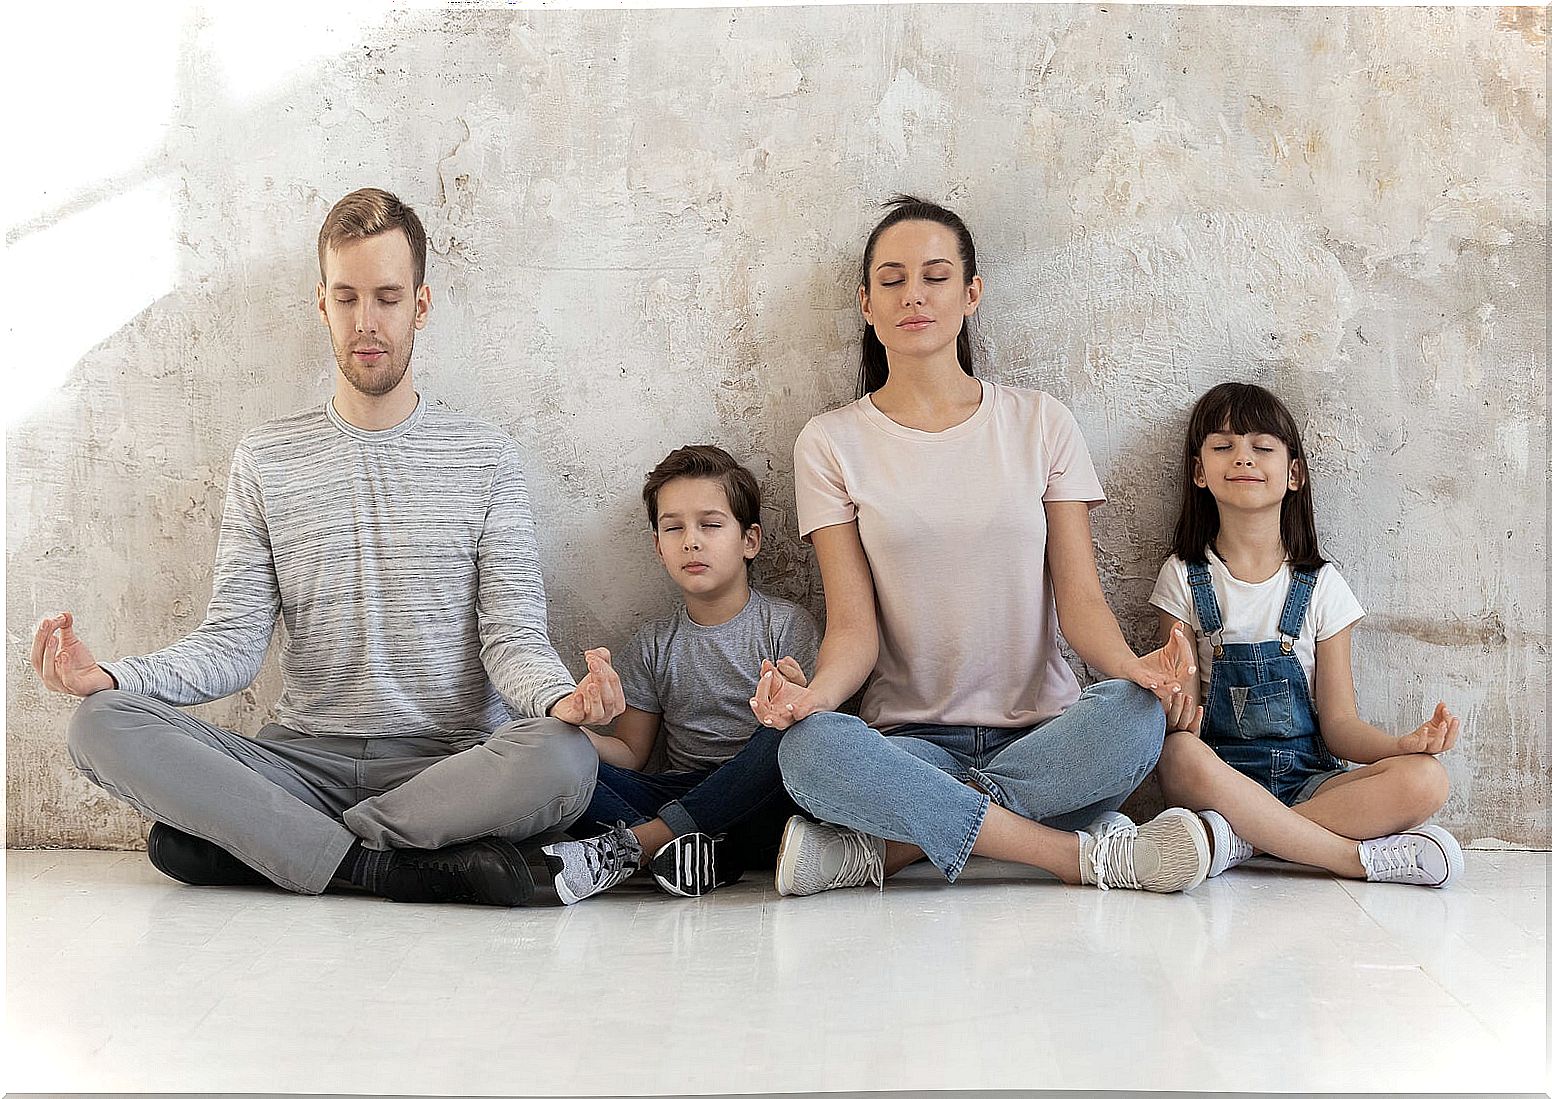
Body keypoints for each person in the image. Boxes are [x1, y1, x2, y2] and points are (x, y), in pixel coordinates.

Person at [31, 187, 621, 907]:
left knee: (562, 755)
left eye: (386, 297)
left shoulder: (485, 455)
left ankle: (284, 846)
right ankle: (384, 867)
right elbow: (231, 645)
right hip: (300, 760)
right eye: (346, 298)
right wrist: (113, 678)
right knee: (97, 724)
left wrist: (563, 698)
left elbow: (512, 639)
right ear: (321, 305)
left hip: (447, 768)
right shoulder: (266, 458)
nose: (365, 322)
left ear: (421, 306)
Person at [749, 195, 1212, 896]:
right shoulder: (829, 442)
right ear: (866, 304)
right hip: (909, 748)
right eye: (892, 279)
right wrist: (809, 697)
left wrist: (1137, 669)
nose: (914, 295)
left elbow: (1082, 603)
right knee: (811, 749)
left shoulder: (1041, 422)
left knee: (1134, 715)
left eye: (935, 277)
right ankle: (1076, 856)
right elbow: (852, 629)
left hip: (1047, 742)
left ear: (971, 295)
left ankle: (891, 850)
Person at [1147, 381, 1464, 886]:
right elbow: (1185, 720)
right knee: (1177, 754)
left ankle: (1239, 843)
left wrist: (1400, 745)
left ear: (1293, 473)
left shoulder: (1322, 586)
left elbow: (1339, 724)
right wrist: (1173, 710)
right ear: (1199, 472)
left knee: (1426, 780)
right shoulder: (1183, 576)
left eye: (1262, 447)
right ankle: (1345, 856)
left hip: (1311, 785)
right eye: (1224, 446)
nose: (1244, 459)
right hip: (1221, 781)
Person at [540, 445, 820, 903]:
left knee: (793, 738)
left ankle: (641, 846)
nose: (691, 540)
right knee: (556, 762)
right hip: (677, 790)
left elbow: (810, 737)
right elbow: (631, 753)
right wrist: (571, 731)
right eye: (674, 528)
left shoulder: (786, 626)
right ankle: (701, 855)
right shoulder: (652, 645)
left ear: (749, 540)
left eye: (710, 525)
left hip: (766, 796)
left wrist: (796, 701)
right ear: (658, 546)